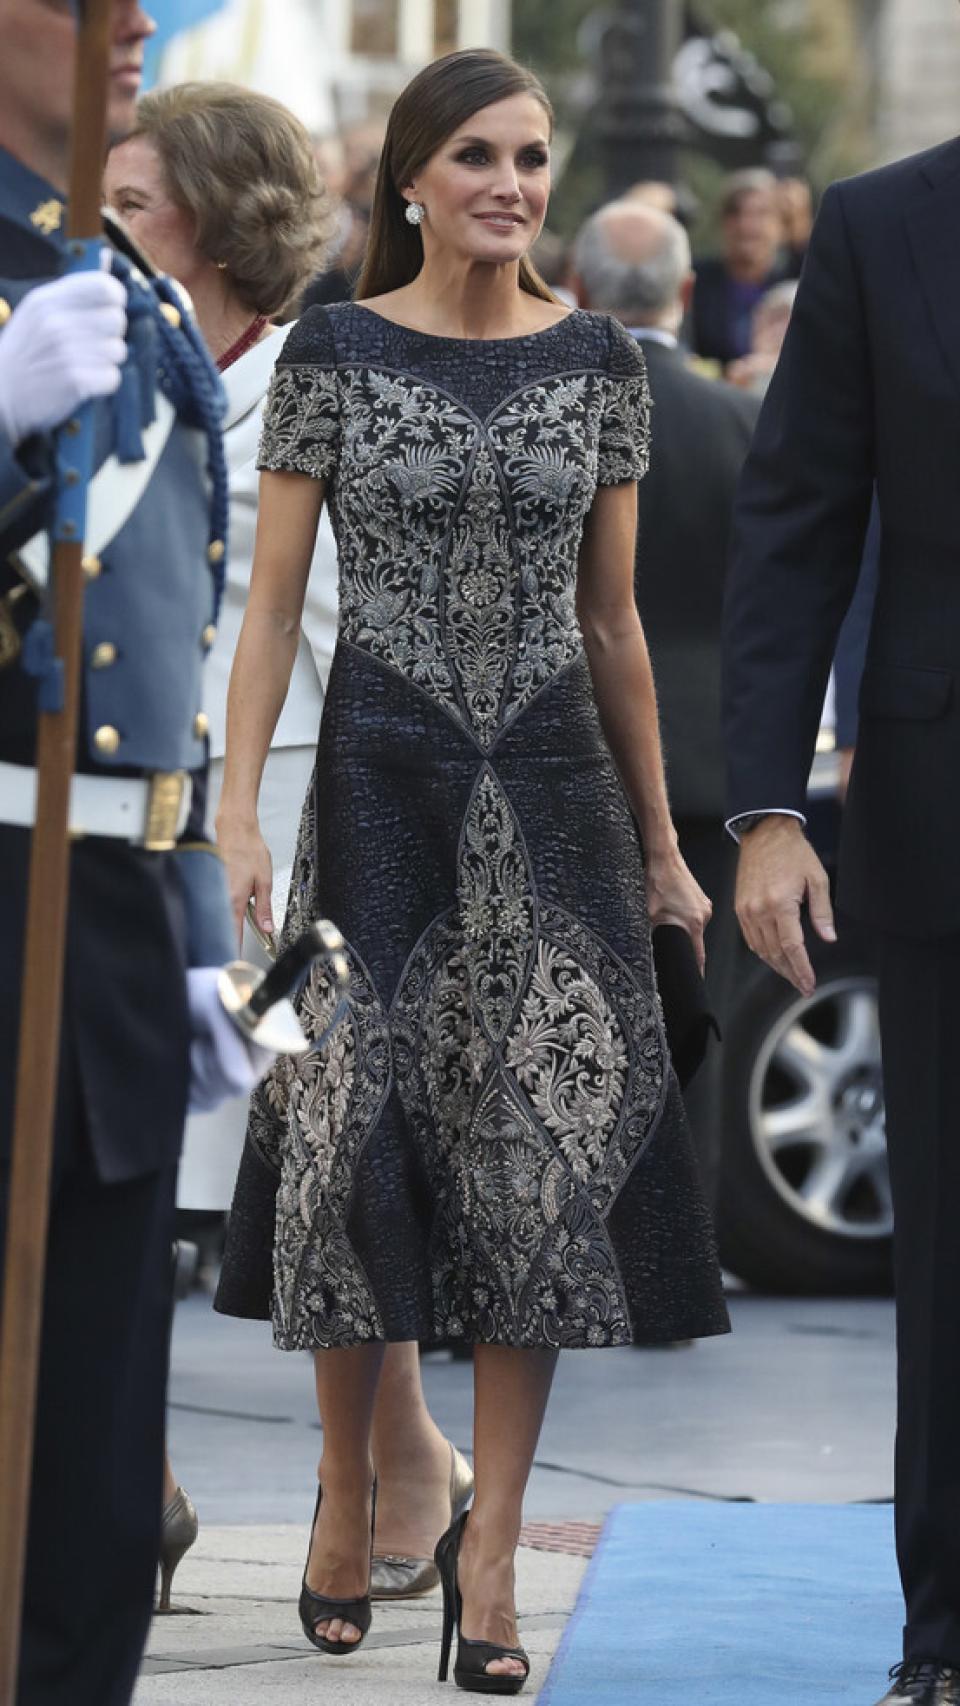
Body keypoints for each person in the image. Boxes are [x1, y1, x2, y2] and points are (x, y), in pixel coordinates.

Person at [214, 45, 728, 1694]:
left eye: (531, 156)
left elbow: (615, 621)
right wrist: (235, 811)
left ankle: (491, 1554)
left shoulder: (603, 363)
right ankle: (345, 1487)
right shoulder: (333, 349)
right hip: (359, 800)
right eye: (481, 156)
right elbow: (279, 605)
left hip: (559, 810)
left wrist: (662, 847)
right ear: (412, 181)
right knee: (335, 1154)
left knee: (538, 1178)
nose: (513, 182)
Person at [104, 80, 474, 1609]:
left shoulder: (320, 384)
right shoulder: (95, 359)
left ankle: (403, 1467)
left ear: (220, 219)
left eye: (132, 205)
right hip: (126, 847)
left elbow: (368, 647)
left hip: (298, 861)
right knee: (107, 1174)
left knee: (323, 1179)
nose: (101, 229)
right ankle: (137, 1485)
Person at [0, 4, 272, 1703]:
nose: (123, 28)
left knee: (93, 1452)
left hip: (100, 922)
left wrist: (191, 927)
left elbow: (165, 658)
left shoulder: (135, 284)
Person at [723, 15, 960, 1696]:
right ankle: (946, 1629)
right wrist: (766, 809)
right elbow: (796, 518)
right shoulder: (882, 225)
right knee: (947, 1250)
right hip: (945, 810)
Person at [573, 198, 760, 1209]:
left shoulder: (562, 413)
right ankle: (677, 1260)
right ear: (688, 294)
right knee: (699, 1002)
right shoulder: (743, 421)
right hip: (713, 758)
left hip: (576, 745)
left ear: (579, 289)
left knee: (565, 1003)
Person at [690, 168, 794, 370]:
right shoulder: (697, 281)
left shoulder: (797, 282)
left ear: (782, 226)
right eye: (736, 213)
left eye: (761, 214)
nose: (747, 225)